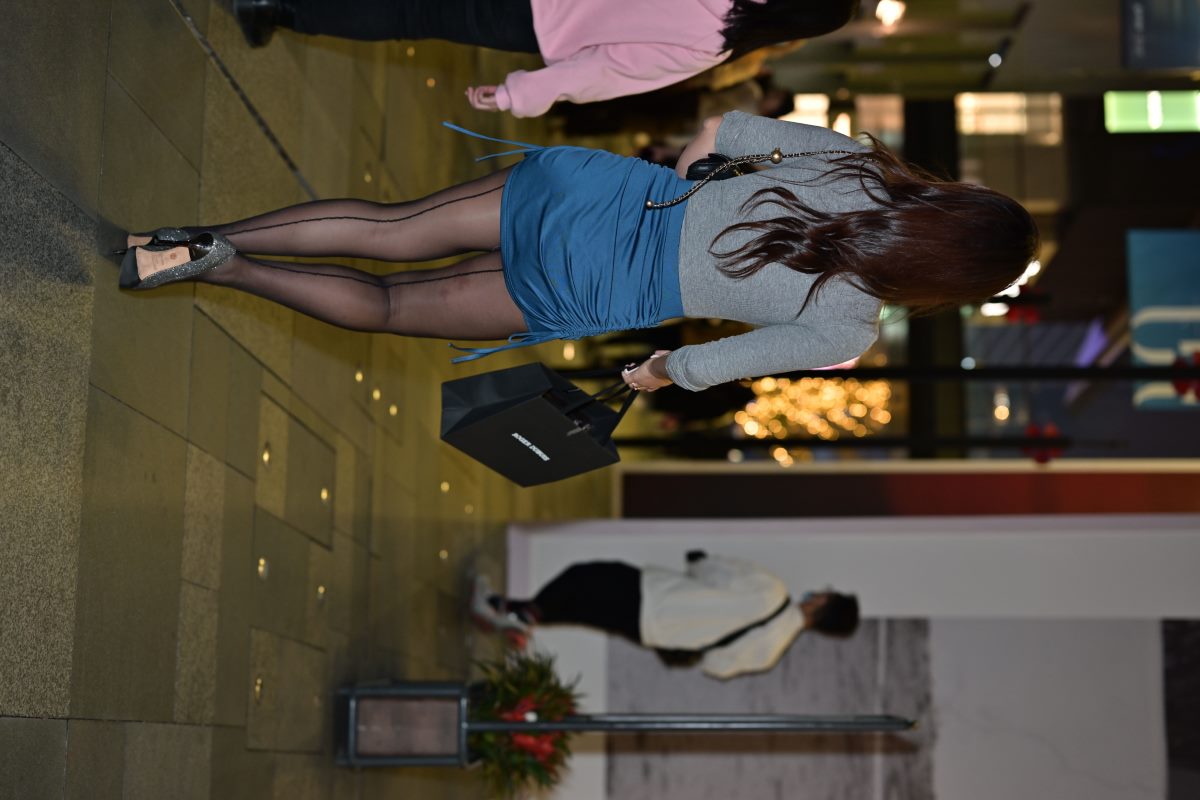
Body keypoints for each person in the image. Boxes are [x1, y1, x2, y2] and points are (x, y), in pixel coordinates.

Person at [116, 111, 1039, 393]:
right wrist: (651, 375)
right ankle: (231, 271)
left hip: (595, 199)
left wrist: (692, 184)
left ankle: (195, 240)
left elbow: (723, 131)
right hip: (591, 287)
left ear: (952, 200)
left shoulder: (859, 166)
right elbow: (701, 365)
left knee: (390, 227)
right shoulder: (848, 327)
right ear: (947, 282)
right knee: (392, 306)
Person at [229, 0, 860, 117]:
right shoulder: (711, 43)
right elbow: (606, 71)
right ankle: (279, 8)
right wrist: (523, 92)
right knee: (410, 16)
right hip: (530, 20)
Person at [470, 552, 860, 679]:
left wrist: (698, 560)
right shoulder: (771, 653)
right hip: (655, 633)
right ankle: (511, 612)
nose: (819, 592)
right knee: (580, 607)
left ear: (822, 605)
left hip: (656, 595)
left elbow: (711, 569)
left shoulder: (772, 590)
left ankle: (515, 613)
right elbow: (716, 667)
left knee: (582, 578)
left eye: (826, 594)